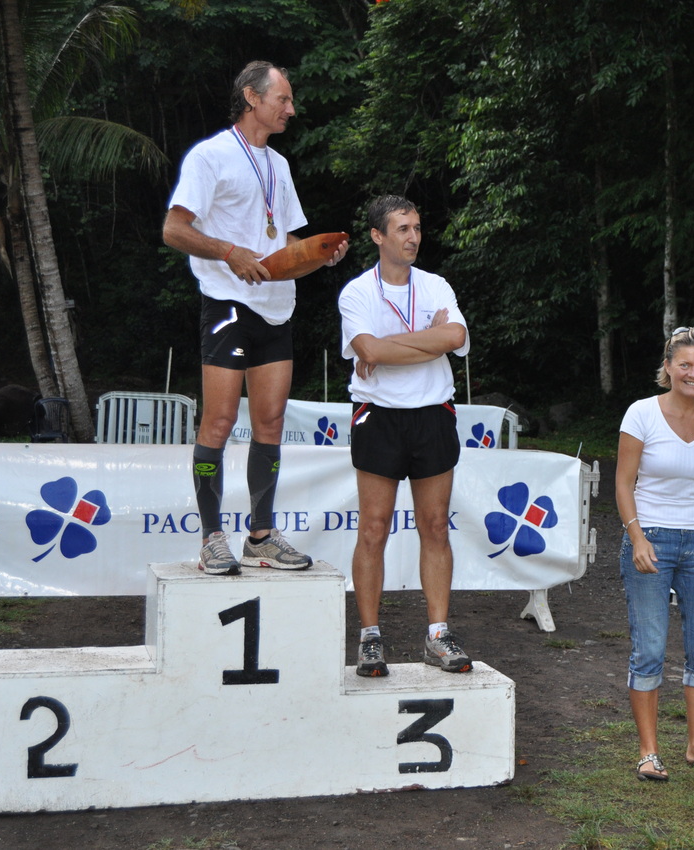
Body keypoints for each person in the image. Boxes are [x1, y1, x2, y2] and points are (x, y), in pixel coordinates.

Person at [163, 60, 347, 576]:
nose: (291, 109)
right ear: (251, 97)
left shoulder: (279, 165)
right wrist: (229, 252)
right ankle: (211, 537)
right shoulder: (210, 156)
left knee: (270, 422)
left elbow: (283, 242)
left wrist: (318, 256)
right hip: (227, 302)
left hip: (276, 309)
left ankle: (261, 537)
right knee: (219, 421)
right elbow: (174, 229)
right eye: (283, 99)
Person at [339, 195, 472, 677]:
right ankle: (370, 638)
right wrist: (424, 341)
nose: (413, 237)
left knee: (435, 526)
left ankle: (437, 635)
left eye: (417, 227)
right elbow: (369, 350)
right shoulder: (356, 292)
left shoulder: (436, 285)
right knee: (373, 528)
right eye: (402, 229)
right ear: (378, 236)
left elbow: (454, 339)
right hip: (378, 415)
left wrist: (385, 346)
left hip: (432, 413)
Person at [615, 327, 694, 782]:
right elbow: (623, 483)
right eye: (684, 364)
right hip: (649, 539)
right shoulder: (641, 413)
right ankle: (648, 752)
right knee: (649, 649)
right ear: (667, 367)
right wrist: (637, 537)